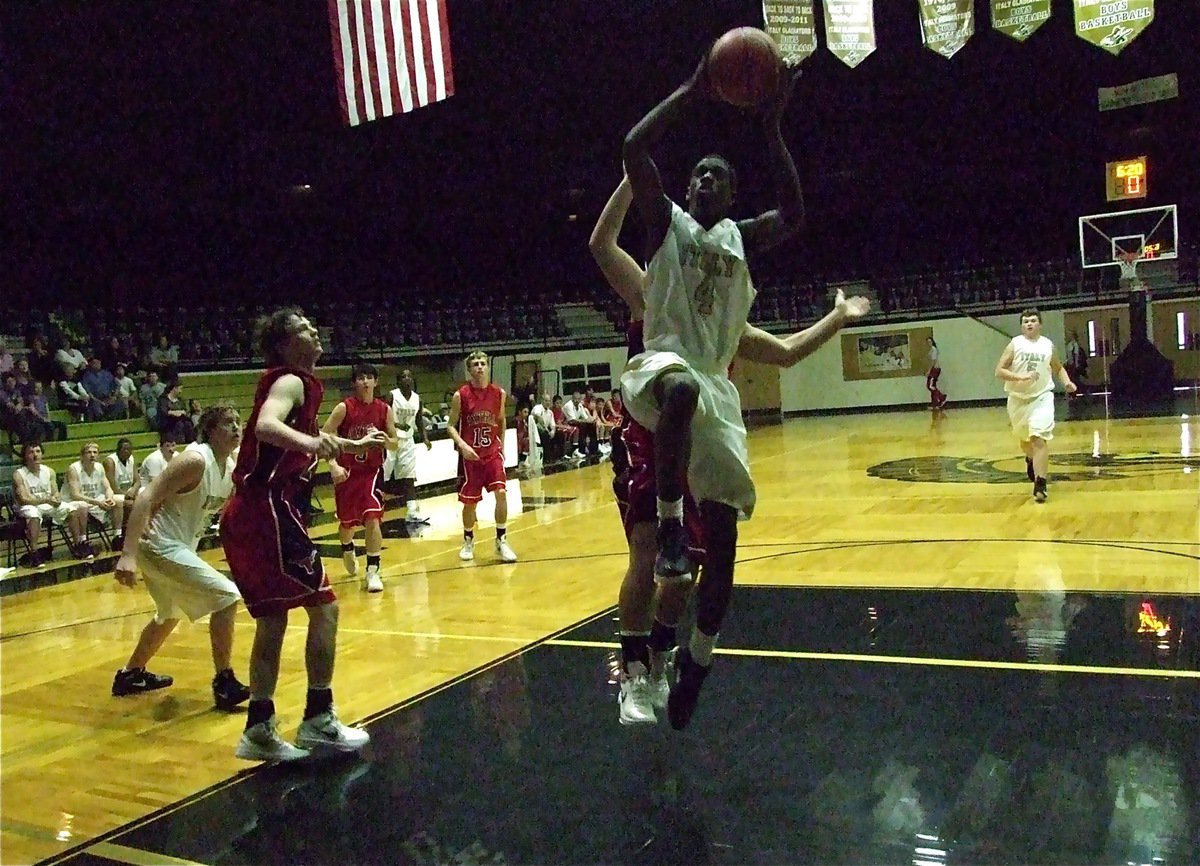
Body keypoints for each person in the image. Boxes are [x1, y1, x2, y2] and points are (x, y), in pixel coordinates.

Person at [591, 173, 869, 726]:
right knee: (647, 554)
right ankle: (634, 672)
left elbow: (787, 352)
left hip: (699, 443)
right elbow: (601, 244)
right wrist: (629, 179)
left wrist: (837, 319)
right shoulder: (652, 287)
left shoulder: (718, 318)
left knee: (685, 575)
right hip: (650, 433)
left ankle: (665, 653)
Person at [620, 51, 805, 729]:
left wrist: (774, 128)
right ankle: (670, 526)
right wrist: (692, 90)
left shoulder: (740, 238)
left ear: (730, 195)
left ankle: (698, 661)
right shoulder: (664, 220)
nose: (703, 178)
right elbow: (634, 146)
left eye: (717, 176)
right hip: (666, 365)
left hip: (716, 387)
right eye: (698, 172)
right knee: (679, 394)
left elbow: (794, 212)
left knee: (724, 544)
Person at [219, 307, 386, 762]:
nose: (314, 330)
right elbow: (265, 427)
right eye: (302, 328)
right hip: (267, 509)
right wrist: (315, 444)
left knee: (273, 621)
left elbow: (287, 438)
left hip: (250, 513)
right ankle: (318, 718)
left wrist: (348, 446)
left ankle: (259, 728)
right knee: (325, 610)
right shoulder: (292, 381)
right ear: (285, 344)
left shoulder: (300, 386)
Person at [111, 405, 251, 710]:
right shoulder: (194, 460)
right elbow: (147, 496)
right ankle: (224, 682)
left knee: (170, 612)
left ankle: (131, 675)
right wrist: (127, 554)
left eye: (238, 422)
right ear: (210, 430)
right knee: (227, 597)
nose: (236, 428)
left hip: (178, 545)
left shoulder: (230, 464)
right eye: (228, 423)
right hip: (159, 545)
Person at [321, 362, 395, 593]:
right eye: (360, 378)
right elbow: (323, 437)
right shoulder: (345, 408)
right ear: (354, 383)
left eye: (369, 377)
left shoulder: (384, 410)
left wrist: (384, 440)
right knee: (347, 524)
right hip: (347, 474)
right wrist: (332, 464)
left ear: (375, 382)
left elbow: (395, 443)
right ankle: (347, 546)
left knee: (373, 517)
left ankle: (373, 569)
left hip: (372, 473)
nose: (365, 382)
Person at [994, 308, 1076, 503]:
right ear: (1022, 326)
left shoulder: (1048, 345)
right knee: (1025, 441)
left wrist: (1066, 383)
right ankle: (1030, 459)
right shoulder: (1015, 344)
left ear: (1039, 324)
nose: (1029, 324)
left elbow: (1058, 368)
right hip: (1017, 399)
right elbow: (999, 370)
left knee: (1038, 437)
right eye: (1025, 321)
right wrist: (1019, 376)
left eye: (1032, 320)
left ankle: (1041, 484)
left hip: (1041, 397)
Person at [447, 351, 517, 564]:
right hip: (472, 456)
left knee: (502, 492)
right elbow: (450, 425)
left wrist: (502, 446)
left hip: (492, 452)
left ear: (488, 367)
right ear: (469, 370)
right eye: (475, 364)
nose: (479, 367)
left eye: (483, 363)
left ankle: (501, 539)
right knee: (470, 504)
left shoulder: (499, 393)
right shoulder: (461, 395)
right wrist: (462, 446)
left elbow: (502, 420)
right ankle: (468, 540)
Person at [12, 442, 90, 565]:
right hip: (27, 506)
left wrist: (57, 499)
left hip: (46, 503)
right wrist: (47, 500)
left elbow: (55, 493)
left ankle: (77, 545)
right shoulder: (19, 474)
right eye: (31, 452)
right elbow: (23, 499)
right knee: (33, 514)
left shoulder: (49, 471)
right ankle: (34, 552)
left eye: (38, 451)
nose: (35, 455)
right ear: (25, 456)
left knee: (71, 509)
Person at [385, 368, 432, 524]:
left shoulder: (418, 399)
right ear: (398, 381)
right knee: (383, 475)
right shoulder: (392, 396)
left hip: (408, 440)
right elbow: (382, 415)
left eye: (409, 376)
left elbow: (419, 420)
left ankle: (412, 512)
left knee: (409, 476)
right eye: (403, 376)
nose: (407, 379)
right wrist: (394, 425)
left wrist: (425, 438)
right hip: (391, 439)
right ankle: (372, 509)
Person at [62, 441, 125, 548]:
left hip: (95, 500)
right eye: (89, 452)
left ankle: (117, 537)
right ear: (82, 455)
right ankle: (82, 542)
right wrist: (97, 502)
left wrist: (109, 498)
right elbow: (75, 495)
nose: (92, 455)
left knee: (119, 500)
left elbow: (108, 487)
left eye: (95, 452)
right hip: (74, 502)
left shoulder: (99, 467)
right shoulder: (73, 468)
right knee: (83, 505)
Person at [926, 337, 947, 409]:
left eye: (930, 341)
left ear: (932, 342)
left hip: (935, 369)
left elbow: (933, 361)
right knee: (932, 386)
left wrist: (929, 370)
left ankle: (942, 397)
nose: (929, 343)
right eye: (928, 342)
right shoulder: (931, 350)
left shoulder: (934, 350)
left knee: (930, 386)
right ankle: (935, 403)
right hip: (933, 369)